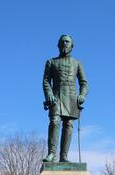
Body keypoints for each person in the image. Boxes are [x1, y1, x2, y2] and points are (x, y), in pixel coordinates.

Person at [43, 34, 89, 163]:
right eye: (62, 42)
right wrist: (49, 95)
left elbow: (84, 83)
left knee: (68, 125)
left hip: (71, 97)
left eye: (67, 42)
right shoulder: (51, 62)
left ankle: (64, 156)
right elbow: (46, 81)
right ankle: (51, 154)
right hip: (56, 97)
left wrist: (82, 95)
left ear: (72, 46)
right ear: (58, 45)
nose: (65, 44)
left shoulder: (77, 63)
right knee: (54, 121)